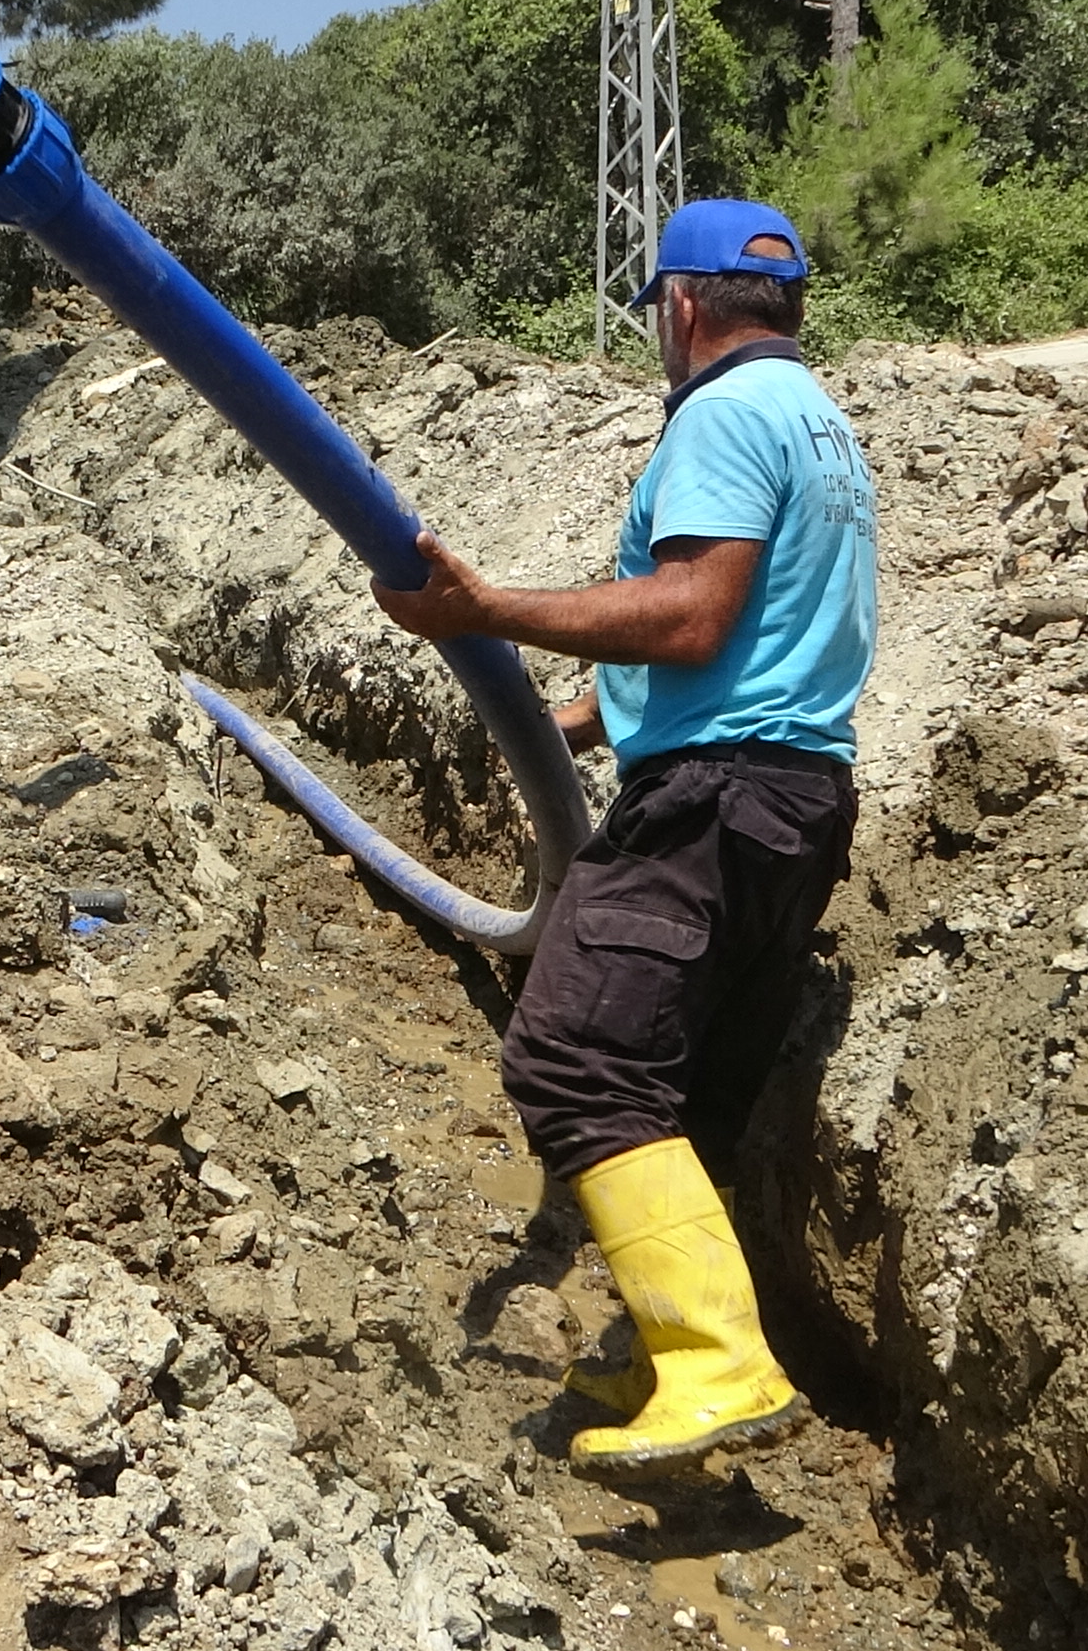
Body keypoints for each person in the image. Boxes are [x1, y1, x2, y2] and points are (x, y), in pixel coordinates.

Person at [370, 198, 878, 1481]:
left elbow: (694, 613)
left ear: (684, 304)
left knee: (577, 1058)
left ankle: (718, 1363)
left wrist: (487, 608)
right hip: (797, 803)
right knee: (682, 1088)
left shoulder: (716, 414)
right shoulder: (819, 425)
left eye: (657, 310)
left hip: (712, 804)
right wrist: (591, 717)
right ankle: (671, 1352)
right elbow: (762, 626)